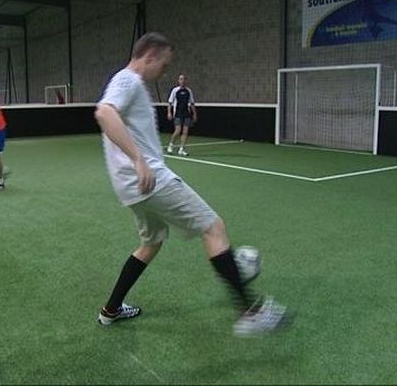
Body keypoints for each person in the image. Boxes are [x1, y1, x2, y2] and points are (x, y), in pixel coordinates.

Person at [94, 32, 286, 336]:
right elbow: (104, 112)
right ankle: (251, 312)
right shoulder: (128, 80)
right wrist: (139, 160)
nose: (165, 71)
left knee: (151, 243)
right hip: (150, 180)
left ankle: (111, 310)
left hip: (132, 189)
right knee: (214, 228)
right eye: (165, 63)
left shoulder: (131, 84)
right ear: (151, 55)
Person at [166, 74, 197, 156]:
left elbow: (192, 103)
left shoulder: (188, 91)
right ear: (178, 81)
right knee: (178, 130)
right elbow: (170, 103)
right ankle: (171, 145)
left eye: (184, 79)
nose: (182, 81)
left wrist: (194, 114)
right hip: (178, 113)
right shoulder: (175, 90)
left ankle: (181, 149)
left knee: (185, 132)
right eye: (181, 79)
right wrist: (169, 112)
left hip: (186, 113)